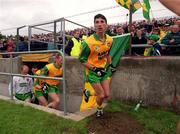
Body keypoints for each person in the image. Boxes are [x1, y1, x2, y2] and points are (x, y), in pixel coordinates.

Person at [79, 14, 114, 117]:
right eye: (97, 22)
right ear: (94, 25)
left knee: (106, 95)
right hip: (92, 71)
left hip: (103, 70)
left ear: (106, 25)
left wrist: (110, 65)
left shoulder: (110, 40)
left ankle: (88, 93)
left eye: (102, 22)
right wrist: (95, 68)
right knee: (101, 95)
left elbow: (107, 54)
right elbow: (81, 60)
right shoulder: (88, 43)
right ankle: (99, 109)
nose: (99, 24)